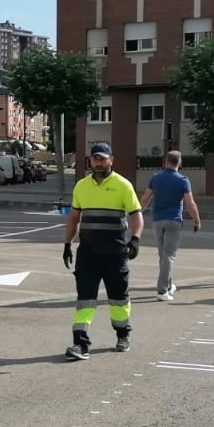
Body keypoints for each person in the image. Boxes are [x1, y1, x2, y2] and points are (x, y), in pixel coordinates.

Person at [62, 142, 142, 360]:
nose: (98, 162)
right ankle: (80, 344)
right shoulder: (81, 186)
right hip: (88, 253)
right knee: (85, 298)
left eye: (102, 158)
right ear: (90, 160)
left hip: (115, 253)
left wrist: (135, 239)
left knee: (118, 299)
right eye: (95, 158)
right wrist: (68, 243)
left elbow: (136, 215)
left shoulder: (123, 185)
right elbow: (74, 217)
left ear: (111, 160)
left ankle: (123, 334)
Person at [139, 150, 201, 302]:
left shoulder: (156, 178)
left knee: (163, 255)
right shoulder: (183, 180)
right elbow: (190, 203)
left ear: (165, 162)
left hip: (157, 220)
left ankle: (169, 284)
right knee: (169, 255)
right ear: (179, 163)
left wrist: (137, 213)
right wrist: (196, 220)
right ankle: (162, 290)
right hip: (174, 220)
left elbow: (145, 198)